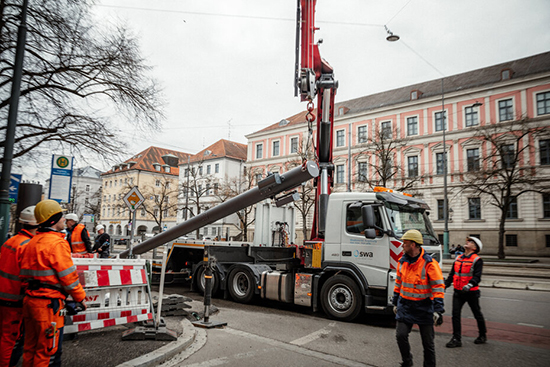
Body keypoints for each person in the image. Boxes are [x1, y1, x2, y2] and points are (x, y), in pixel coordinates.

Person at [19, 200, 87, 367]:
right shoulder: (57, 243)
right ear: (53, 219)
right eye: (61, 215)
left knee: (30, 348)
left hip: (30, 301)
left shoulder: (32, 242)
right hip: (48, 305)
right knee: (47, 352)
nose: (64, 218)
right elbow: (68, 277)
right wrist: (81, 297)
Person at [393, 229, 445, 367]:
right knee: (400, 335)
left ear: (413, 245)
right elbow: (399, 283)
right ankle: (407, 362)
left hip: (424, 307)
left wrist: (438, 310)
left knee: (428, 343)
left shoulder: (429, 263)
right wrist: (395, 302)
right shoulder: (402, 262)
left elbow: (438, 287)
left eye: (405, 243)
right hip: (405, 306)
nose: (402, 245)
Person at [0, 206, 38, 367]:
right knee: (11, 339)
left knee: (5, 336)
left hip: (4, 295)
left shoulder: (11, 240)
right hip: (16, 299)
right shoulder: (28, 245)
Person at [445, 236, 487, 348]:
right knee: (455, 315)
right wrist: (444, 285)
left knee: (477, 314)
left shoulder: (477, 260)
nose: (467, 242)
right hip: (458, 292)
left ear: (475, 248)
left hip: (471, 292)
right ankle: (456, 339)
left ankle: (482, 335)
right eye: (468, 241)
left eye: (471, 242)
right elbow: (452, 275)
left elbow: (477, 277)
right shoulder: (458, 258)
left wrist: (469, 285)